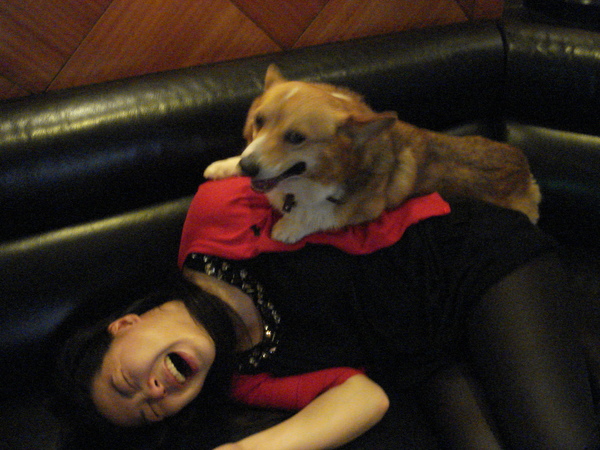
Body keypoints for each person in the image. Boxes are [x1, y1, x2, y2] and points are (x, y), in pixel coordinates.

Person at [56, 176, 599, 449]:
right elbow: (366, 398)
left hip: (469, 261)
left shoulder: (216, 221)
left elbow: (344, 166)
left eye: (126, 381)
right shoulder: (247, 381)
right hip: (433, 354)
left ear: (125, 325)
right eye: (151, 411)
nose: (152, 393)